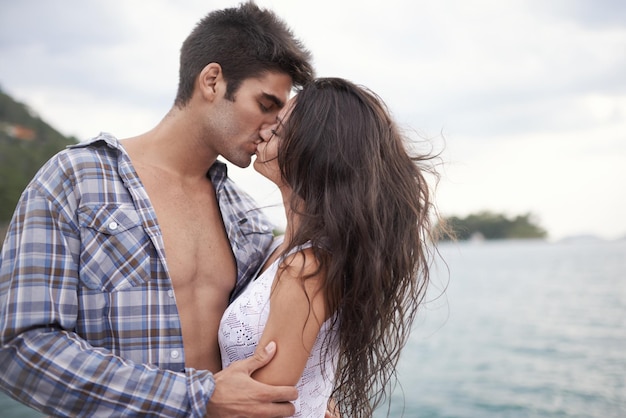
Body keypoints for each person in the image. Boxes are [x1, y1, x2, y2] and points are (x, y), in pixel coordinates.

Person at [0, 2, 314, 417]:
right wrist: (195, 398)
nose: (273, 126)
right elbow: (19, 348)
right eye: (266, 104)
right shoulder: (76, 181)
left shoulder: (248, 221)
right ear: (213, 81)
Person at [218, 77, 441, 417]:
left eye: (276, 130)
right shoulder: (285, 248)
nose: (262, 132)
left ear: (313, 151)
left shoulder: (305, 268)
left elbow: (261, 409)